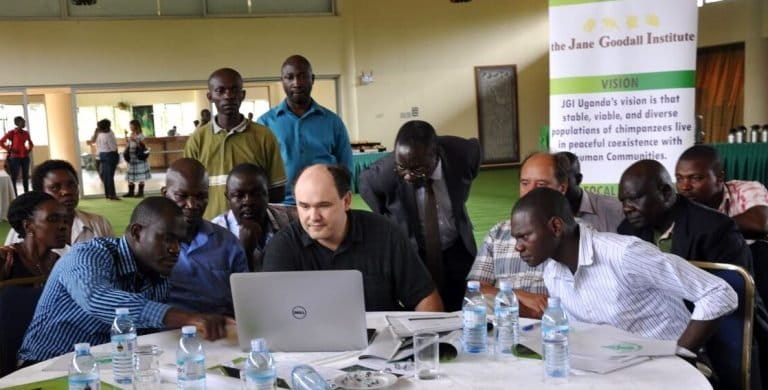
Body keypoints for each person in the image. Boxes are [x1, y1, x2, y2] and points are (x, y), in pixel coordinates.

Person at [510, 187, 737, 362]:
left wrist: (679, 355)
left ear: (556, 227)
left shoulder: (624, 254)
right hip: (613, 369)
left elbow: (719, 293)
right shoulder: (552, 272)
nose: (517, 247)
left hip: (664, 369)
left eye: (524, 236)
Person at [18, 197, 232, 364]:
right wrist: (187, 317)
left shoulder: (159, 276)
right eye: (167, 238)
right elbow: (97, 298)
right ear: (137, 232)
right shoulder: (89, 254)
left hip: (108, 366)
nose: (175, 249)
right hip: (46, 364)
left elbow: (146, 336)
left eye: (179, 241)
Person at [263, 164, 443, 312]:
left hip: (382, 346)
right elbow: (273, 316)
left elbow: (425, 298)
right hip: (311, 350)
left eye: (323, 205)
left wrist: (421, 346)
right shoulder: (283, 246)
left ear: (347, 201)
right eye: (304, 206)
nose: (313, 216)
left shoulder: (385, 234)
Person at [467, 152, 623, 317]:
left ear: (561, 188)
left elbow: (593, 299)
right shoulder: (498, 233)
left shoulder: (577, 234)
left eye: (541, 184)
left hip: (558, 327)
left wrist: (539, 313)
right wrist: (519, 296)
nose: (530, 191)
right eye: (525, 183)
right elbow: (475, 290)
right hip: (505, 324)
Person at [358, 120, 480, 311]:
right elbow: (366, 186)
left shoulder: (462, 153)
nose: (407, 176)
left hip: (457, 245)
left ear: (435, 156)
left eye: (416, 169)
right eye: (401, 168)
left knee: (464, 302)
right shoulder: (382, 174)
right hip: (416, 251)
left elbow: (473, 163)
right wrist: (394, 221)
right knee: (422, 305)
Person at [185, 68, 286, 219]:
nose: (228, 96)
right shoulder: (197, 140)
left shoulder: (264, 136)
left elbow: (277, 191)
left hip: (255, 229)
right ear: (210, 96)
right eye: (220, 90)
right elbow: (187, 192)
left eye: (234, 90)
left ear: (242, 95)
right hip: (211, 230)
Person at [617, 159, 753, 269]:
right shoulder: (627, 231)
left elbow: (734, 293)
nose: (627, 208)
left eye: (634, 198)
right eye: (623, 201)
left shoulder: (716, 229)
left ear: (665, 193)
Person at [257, 55, 353, 205]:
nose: (296, 83)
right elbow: (259, 169)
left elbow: (346, 166)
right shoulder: (265, 123)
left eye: (302, 76)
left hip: (324, 202)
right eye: (289, 77)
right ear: (282, 81)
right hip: (282, 205)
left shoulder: (332, 122)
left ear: (312, 79)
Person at [162, 158, 248, 315]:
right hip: (166, 332)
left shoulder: (228, 243)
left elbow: (245, 300)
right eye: (182, 196)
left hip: (221, 332)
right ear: (165, 194)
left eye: (201, 197)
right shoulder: (151, 245)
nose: (192, 205)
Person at [5, 160, 113, 253]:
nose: (67, 192)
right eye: (55, 188)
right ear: (40, 192)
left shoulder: (98, 223)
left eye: (72, 185)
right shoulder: (24, 230)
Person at [675, 144, 768, 239]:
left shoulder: (746, 189)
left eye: (695, 178)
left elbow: (759, 224)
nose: (685, 186)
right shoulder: (676, 202)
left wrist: (703, 227)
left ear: (719, 178)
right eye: (679, 178)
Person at [211, 163, 293, 271]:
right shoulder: (215, 233)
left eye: (256, 194)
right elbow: (222, 283)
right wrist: (244, 252)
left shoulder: (289, 219)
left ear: (267, 194)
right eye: (239, 196)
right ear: (228, 198)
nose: (248, 202)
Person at [0, 192, 71, 283]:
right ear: (28, 226)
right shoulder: (6, 260)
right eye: (53, 219)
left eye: (65, 220)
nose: (63, 226)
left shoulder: (60, 262)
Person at [554, 151, 624, 232]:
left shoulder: (615, 210)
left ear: (578, 179)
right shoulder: (542, 213)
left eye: (563, 180)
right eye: (551, 181)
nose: (557, 187)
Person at [1, 116, 33, 195]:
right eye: (23, 122)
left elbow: (30, 143)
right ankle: (14, 194)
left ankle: (26, 193)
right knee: (14, 177)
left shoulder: (26, 133)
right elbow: (1, 141)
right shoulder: (12, 133)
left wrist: (29, 149)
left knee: (26, 176)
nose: (24, 123)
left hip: (25, 157)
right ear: (17, 123)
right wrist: (9, 149)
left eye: (24, 122)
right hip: (15, 158)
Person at [89, 119, 120, 200]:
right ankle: (112, 195)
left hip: (102, 155)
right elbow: (113, 148)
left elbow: (92, 141)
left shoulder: (99, 133)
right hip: (109, 155)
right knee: (109, 176)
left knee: (106, 176)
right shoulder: (108, 134)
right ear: (107, 126)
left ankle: (109, 195)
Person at [124, 119, 151, 198]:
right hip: (131, 157)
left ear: (136, 126)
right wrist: (127, 141)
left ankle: (140, 192)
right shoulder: (131, 134)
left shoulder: (141, 135)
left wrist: (136, 141)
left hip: (139, 157)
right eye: (130, 126)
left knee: (140, 175)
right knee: (130, 174)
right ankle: (130, 192)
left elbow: (143, 147)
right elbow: (129, 144)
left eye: (131, 126)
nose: (130, 127)